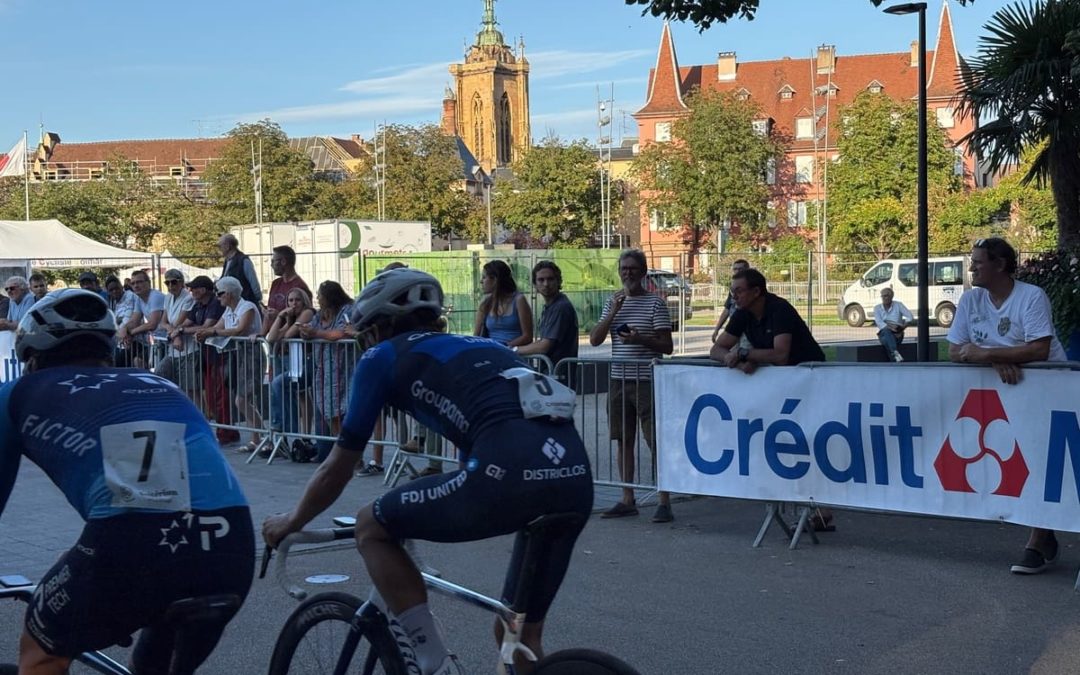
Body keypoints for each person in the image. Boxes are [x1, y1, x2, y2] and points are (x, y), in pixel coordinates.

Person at [263, 269, 592, 675]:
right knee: (518, 636)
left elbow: (338, 466)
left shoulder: (381, 356)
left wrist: (292, 521)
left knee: (370, 525)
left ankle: (431, 659)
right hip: (573, 477)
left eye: (365, 333)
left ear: (380, 327)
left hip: (505, 474)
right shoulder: (485, 346)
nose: (365, 341)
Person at [0, 289, 253, 674]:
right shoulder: (160, 384)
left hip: (137, 544)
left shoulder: (16, 393)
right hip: (231, 543)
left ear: (31, 359)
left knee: (42, 652)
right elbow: (161, 491)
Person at [947, 237, 1067, 575]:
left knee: (1043, 462)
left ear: (1000, 265)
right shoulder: (971, 301)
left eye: (978, 262)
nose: (971, 268)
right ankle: (1044, 534)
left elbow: (1038, 349)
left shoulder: (1030, 297)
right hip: (1003, 393)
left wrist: (987, 353)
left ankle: (1038, 539)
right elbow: (956, 351)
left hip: (1047, 393)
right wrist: (994, 361)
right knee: (1019, 462)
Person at [589, 249, 675, 523]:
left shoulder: (655, 304)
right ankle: (628, 498)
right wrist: (613, 311)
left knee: (654, 441)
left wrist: (641, 340)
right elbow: (594, 339)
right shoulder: (612, 301)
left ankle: (664, 499)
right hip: (618, 379)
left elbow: (667, 346)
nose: (628, 273)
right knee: (623, 440)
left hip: (646, 380)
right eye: (624, 269)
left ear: (643, 272)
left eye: (633, 269)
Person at [196, 277, 265, 454]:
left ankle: (264, 436)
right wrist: (205, 332)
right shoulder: (229, 309)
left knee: (242, 399)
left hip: (251, 354)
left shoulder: (247, 307)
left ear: (228, 293)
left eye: (219, 294)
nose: (217, 298)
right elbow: (218, 326)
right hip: (238, 354)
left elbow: (239, 329)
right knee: (244, 399)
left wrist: (213, 331)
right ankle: (256, 439)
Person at [298, 281, 356, 463]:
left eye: (320, 295)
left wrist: (315, 333)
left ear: (330, 296)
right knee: (327, 411)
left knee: (340, 412)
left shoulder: (347, 310)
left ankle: (350, 454)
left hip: (343, 369)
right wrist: (305, 332)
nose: (318, 298)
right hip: (322, 369)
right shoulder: (320, 314)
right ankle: (344, 452)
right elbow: (312, 331)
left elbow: (340, 334)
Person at [182, 275, 238, 445]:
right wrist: (181, 330)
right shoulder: (197, 305)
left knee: (221, 395)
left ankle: (227, 433)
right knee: (211, 396)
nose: (191, 291)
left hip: (220, 354)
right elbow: (186, 324)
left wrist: (183, 330)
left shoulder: (215, 304)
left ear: (203, 290)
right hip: (206, 354)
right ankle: (222, 430)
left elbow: (208, 327)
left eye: (194, 288)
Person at [515, 261, 579, 377]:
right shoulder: (550, 306)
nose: (546, 284)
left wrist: (513, 350)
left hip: (559, 376)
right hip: (553, 373)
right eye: (541, 280)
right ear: (535, 284)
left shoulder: (560, 307)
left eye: (550, 279)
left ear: (559, 281)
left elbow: (544, 346)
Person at [266, 287, 315, 437]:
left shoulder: (308, 312)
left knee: (279, 384)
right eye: (290, 300)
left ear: (304, 301)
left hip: (307, 361)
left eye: (297, 300)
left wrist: (285, 322)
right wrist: (280, 317)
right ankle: (290, 432)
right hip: (292, 361)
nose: (294, 304)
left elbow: (288, 334)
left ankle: (293, 431)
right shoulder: (290, 318)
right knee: (291, 393)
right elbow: (272, 338)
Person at [473, 260, 533, 348]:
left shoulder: (519, 300)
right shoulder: (485, 304)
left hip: (514, 353)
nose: (481, 281)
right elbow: (476, 336)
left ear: (495, 279)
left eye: (484, 277)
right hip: (491, 352)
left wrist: (505, 347)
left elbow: (527, 336)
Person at [156, 269, 196, 387]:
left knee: (189, 387)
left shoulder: (188, 298)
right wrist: (171, 329)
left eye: (173, 282)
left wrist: (174, 331)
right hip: (173, 346)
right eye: (167, 283)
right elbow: (163, 322)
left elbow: (180, 322)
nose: (170, 285)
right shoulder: (168, 297)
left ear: (181, 282)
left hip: (187, 348)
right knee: (160, 373)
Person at [118, 270, 165, 369]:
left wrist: (131, 332)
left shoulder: (155, 296)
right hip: (157, 342)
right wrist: (124, 329)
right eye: (133, 283)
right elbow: (134, 321)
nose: (136, 285)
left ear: (148, 283)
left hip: (168, 342)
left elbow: (152, 324)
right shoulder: (139, 298)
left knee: (139, 362)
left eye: (139, 282)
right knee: (128, 359)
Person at [263, 245, 311, 332]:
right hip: (272, 336)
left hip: (287, 337)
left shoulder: (299, 286)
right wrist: (261, 335)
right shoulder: (275, 283)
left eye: (273, 261)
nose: (271, 265)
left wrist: (280, 316)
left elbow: (303, 317)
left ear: (283, 261)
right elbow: (268, 314)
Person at [710, 259, 750, 343]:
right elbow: (727, 309)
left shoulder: (753, 287)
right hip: (734, 326)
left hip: (749, 328)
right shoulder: (733, 288)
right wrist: (717, 329)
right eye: (735, 269)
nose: (737, 271)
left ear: (747, 269)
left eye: (740, 269)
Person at [218, 233, 262, 305]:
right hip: (233, 303)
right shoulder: (227, 261)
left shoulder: (243, 260)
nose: (219, 249)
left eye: (220, 246)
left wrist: (257, 299)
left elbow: (253, 282)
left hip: (244, 301)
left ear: (228, 246)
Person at [873, 287, 913, 362]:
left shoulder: (898, 305)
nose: (884, 298)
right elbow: (879, 322)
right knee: (886, 331)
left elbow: (910, 317)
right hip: (885, 332)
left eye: (887, 295)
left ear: (892, 296)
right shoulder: (877, 308)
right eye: (883, 296)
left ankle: (894, 355)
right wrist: (891, 328)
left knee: (886, 340)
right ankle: (894, 352)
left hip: (897, 332)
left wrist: (902, 328)